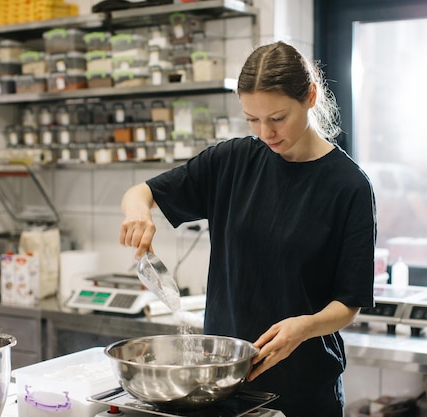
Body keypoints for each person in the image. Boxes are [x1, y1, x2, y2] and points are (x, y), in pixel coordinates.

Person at [119, 41, 376, 417]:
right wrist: (137, 213)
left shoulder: (349, 185)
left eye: (277, 117)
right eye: (252, 119)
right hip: (224, 387)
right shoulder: (233, 161)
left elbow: (347, 303)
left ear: (310, 96)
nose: (265, 132)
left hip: (303, 392)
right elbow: (140, 193)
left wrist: (304, 327)